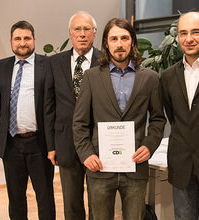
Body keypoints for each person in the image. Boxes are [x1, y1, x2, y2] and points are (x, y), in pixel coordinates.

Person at [73, 18, 166, 219]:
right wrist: (87, 154)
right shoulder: (91, 77)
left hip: (135, 166)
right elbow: (80, 122)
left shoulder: (149, 78)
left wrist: (149, 146)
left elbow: (158, 119)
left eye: (124, 38)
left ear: (132, 41)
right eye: (114, 38)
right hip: (99, 167)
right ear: (106, 43)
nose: (119, 43)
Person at [0, 20, 55, 220]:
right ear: (11, 41)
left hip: (40, 144)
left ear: (34, 40)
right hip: (11, 144)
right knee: (16, 199)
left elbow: (52, 103)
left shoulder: (47, 64)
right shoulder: (0, 66)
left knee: (45, 198)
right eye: (18, 38)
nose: (22, 42)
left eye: (27, 38)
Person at [47, 11, 100, 219]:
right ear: (70, 33)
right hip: (65, 143)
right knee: (71, 204)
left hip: (97, 144)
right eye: (77, 29)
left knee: (99, 202)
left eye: (87, 29)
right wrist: (51, 145)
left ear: (94, 33)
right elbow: (48, 105)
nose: (82, 34)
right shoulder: (55, 62)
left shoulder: (105, 60)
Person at [160, 11, 199, 220]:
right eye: (183, 33)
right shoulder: (167, 77)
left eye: (196, 32)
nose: (189, 38)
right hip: (182, 164)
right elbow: (173, 117)